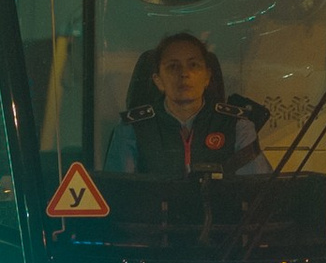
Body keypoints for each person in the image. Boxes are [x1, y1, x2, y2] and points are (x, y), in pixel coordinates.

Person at [102, 32, 271, 179]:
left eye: (193, 65)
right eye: (173, 66)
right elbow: (120, 195)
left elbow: (258, 193)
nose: (184, 74)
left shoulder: (237, 126)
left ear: (207, 77)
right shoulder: (132, 129)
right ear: (158, 81)